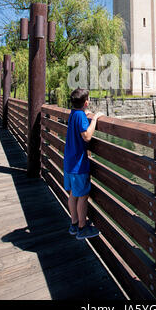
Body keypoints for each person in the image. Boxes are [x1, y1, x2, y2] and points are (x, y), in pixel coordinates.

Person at [63, 88, 103, 240]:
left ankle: (74, 224)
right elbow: (86, 136)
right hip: (78, 165)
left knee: (73, 194)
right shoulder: (80, 116)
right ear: (86, 102)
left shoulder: (74, 113)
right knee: (83, 196)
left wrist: (85, 115)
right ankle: (82, 227)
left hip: (69, 162)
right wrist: (95, 119)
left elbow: (79, 122)